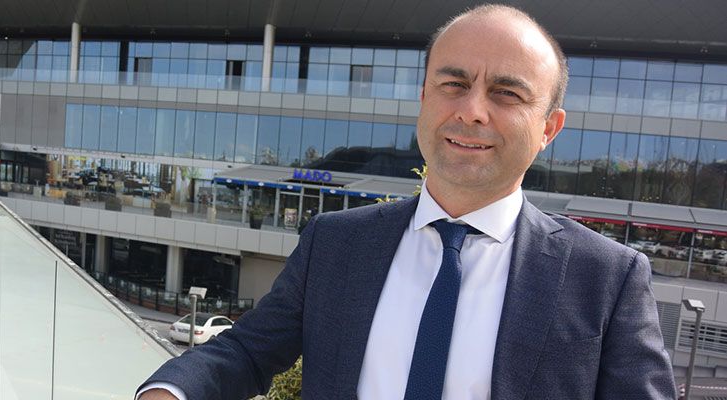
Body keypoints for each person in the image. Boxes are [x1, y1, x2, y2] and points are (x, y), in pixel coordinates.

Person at [138, 4, 676, 400]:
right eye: (453, 84)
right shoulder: (335, 243)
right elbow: (246, 351)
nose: (472, 110)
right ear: (424, 98)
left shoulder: (607, 278)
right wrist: (169, 392)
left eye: (506, 93)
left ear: (548, 129)